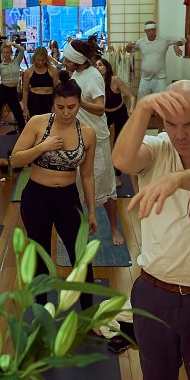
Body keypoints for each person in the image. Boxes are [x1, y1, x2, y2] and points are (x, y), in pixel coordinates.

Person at [111, 81, 190, 380]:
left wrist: (177, 180)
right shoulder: (157, 148)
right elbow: (122, 160)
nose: (180, 134)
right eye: (171, 123)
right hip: (155, 293)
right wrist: (143, 106)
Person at [10, 71, 97, 309]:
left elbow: (87, 175)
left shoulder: (87, 134)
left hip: (68, 198)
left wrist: (91, 212)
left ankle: (89, 314)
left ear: (79, 104)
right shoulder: (38, 123)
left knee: (81, 257)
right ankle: (41, 312)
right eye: (61, 107)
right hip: (37, 196)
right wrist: (42, 147)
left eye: (72, 107)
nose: (66, 113)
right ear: (54, 105)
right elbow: (15, 160)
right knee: (40, 257)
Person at [62, 40, 124, 246]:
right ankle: (81, 226)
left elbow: (100, 108)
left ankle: (114, 228)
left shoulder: (94, 76)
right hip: (78, 136)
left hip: (98, 138)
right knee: (78, 184)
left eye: (67, 58)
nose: (64, 61)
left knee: (105, 186)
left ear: (78, 60)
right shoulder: (76, 75)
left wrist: (79, 102)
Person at [96, 58, 134, 187]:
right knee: (102, 142)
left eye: (100, 65)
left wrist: (132, 108)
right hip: (105, 114)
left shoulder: (115, 79)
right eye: (96, 65)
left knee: (119, 142)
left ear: (107, 67)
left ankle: (117, 175)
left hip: (120, 112)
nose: (98, 67)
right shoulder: (96, 82)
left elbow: (131, 96)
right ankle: (104, 173)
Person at [133, 21, 186, 99]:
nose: (151, 32)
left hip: (160, 78)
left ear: (156, 29)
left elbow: (183, 39)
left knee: (162, 101)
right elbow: (130, 50)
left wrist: (176, 45)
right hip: (145, 78)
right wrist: (128, 46)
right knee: (142, 101)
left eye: (153, 30)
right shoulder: (141, 42)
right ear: (145, 31)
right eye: (149, 30)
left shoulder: (164, 39)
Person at [22, 46, 58, 119]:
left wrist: (55, 105)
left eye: (42, 60)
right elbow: (25, 91)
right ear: (34, 59)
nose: (40, 63)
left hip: (48, 100)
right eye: (38, 60)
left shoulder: (53, 70)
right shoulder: (28, 71)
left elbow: (56, 90)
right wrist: (25, 109)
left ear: (46, 59)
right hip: (34, 101)